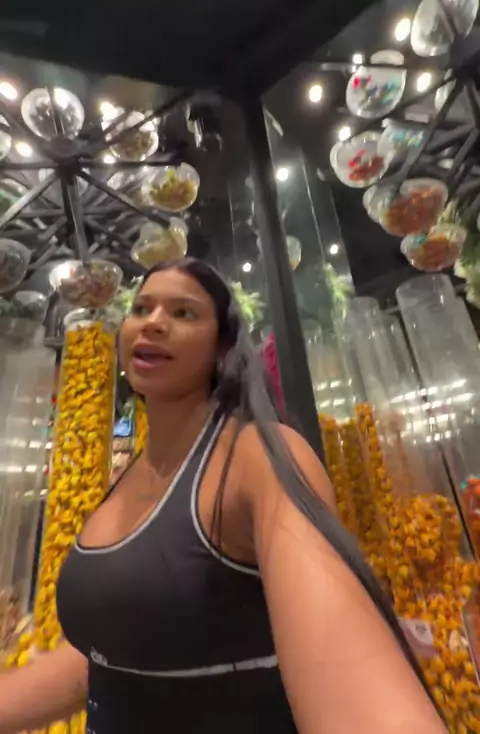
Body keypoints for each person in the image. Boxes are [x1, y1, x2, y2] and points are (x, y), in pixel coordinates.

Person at [0, 258, 446, 734]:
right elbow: (109, 655)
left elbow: (353, 691)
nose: (153, 322)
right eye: (141, 308)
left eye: (183, 313)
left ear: (222, 347)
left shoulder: (258, 460)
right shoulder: (128, 478)